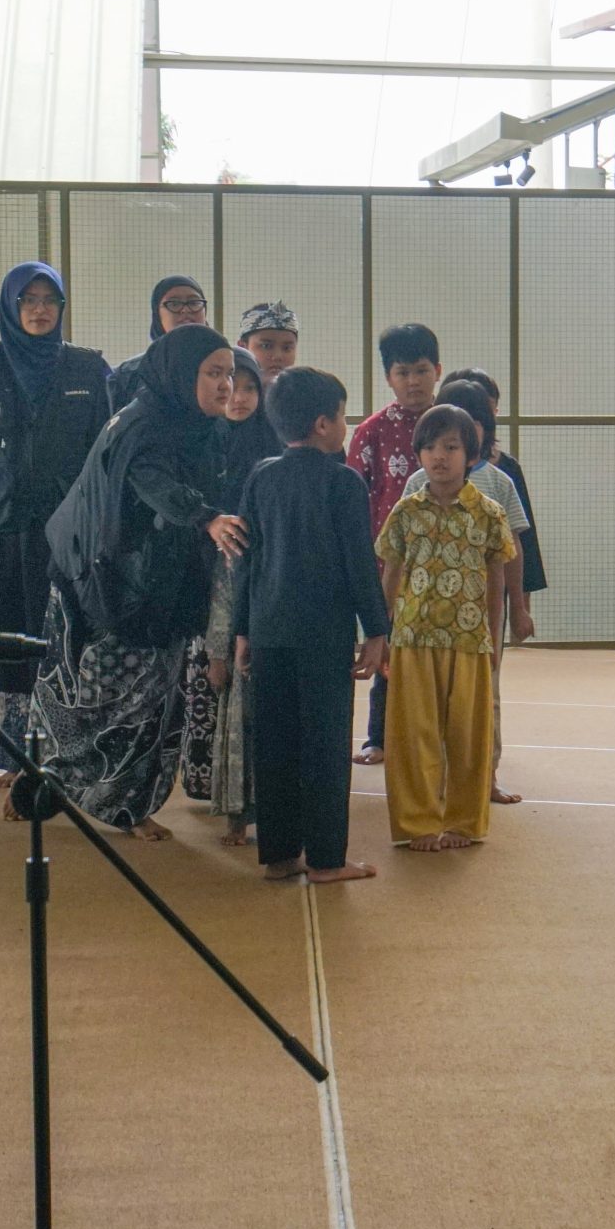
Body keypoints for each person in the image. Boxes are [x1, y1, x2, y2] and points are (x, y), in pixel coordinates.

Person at [38, 324, 246, 836]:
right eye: (213, 373)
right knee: (97, 700)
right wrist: (204, 517)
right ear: (181, 374)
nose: (225, 385)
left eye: (229, 374)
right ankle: (54, 784)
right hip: (107, 583)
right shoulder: (143, 425)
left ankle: (127, 806)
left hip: (155, 584)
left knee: (152, 702)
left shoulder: (200, 425)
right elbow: (152, 481)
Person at [0, 262, 112, 800]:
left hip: (69, 537)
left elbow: (104, 456)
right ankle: (15, 755)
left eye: (49, 300)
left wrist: (101, 526)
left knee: (67, 648)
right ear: (11, 306)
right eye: (29, 300)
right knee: (8, 648)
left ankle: (66, 758)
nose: (40, 310)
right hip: (1, 535)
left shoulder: (88, 369)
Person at [233, 368, 390, 884]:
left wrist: (241, 630)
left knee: (274, 743)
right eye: (342, 416)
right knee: (325, 745)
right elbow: (359, 563)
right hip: (323, 634)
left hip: (268, 629)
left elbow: (246, 561)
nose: (345, 425)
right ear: (323, 424)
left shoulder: (261, 477)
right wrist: (377, 630)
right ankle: (326, 859)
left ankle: (279, 855)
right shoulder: (343, 482)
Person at [376, 403, 516, 853]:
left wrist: (494, 638)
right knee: (413, 736)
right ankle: (417, 823)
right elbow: (390, 574)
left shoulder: (489, 514)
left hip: (469, 640)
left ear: (471, 455)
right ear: (418, 453)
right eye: (431, 446)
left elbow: (496, 582)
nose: (440, 456)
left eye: (451, 447)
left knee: (468, 736)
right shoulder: (405, 512)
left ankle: (463, 821)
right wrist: (379, 635)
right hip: (412, 638)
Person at [402, 377, 535, 804]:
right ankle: (436, 780)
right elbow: (401, 554)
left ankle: (485, 776)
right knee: (430, 703)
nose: (445, 449)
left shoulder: (499, 483)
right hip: (426, 618)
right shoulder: (415, 485)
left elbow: (513, 551)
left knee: (483, 698)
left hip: (480, 616)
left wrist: (519, 607)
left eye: (475, 422)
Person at [183, 351, 270, 842]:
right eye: (231, 384)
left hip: (253, 584)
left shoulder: (273, 448)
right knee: (214, 697)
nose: (239, 397)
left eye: (250, 387)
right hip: (208, 582)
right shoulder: (203, 442)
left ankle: (255, 808)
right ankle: (220, 798)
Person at [347, 323, 443, 764]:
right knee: (386, 649)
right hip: (388, 566)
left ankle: (440, 737)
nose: (413, 381)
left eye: (421, 370)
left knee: (440, 655)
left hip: (445, 564)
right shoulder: (372, 431)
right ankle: (379, 738)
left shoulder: (453, 425)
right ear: (388, 377)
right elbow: (354, 497)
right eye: (403, 372)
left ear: (437, 370)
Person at [444, 366, 547, 600]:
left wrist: (521, 604)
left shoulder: (505, 472)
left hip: (490, 593)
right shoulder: (431, 469)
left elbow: (523, 542)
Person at [108, 275, 212, 410]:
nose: (185, 310)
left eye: (194, 303)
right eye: (174, 304)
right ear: (157, 313)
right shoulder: (130, 374)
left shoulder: (227, 366)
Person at [237, 302, 299, 451]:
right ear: (243, 347)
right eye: (266, 346)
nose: (277, 356)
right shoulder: (227, 400)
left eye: (287, 348)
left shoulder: (303, 404)